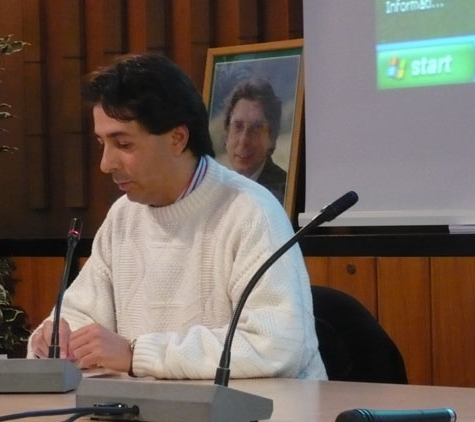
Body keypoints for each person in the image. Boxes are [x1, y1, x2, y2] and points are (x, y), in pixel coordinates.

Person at [28, 53, 325, 381]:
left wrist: (136, 354)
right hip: (156, 410)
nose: (106, 164)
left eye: (123, 144)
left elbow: (277, 346)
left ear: (177, 139)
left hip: (265, 411)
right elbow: (81, 315)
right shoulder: (123, 216)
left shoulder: (251, 211)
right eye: (102, 143)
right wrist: (56, 339)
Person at [222, 78, 288, 203]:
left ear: (272, 137)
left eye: (257, 128)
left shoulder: (284, 195)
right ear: (227, 133)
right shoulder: (217, 190)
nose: (244, 140)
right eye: (238, 126)